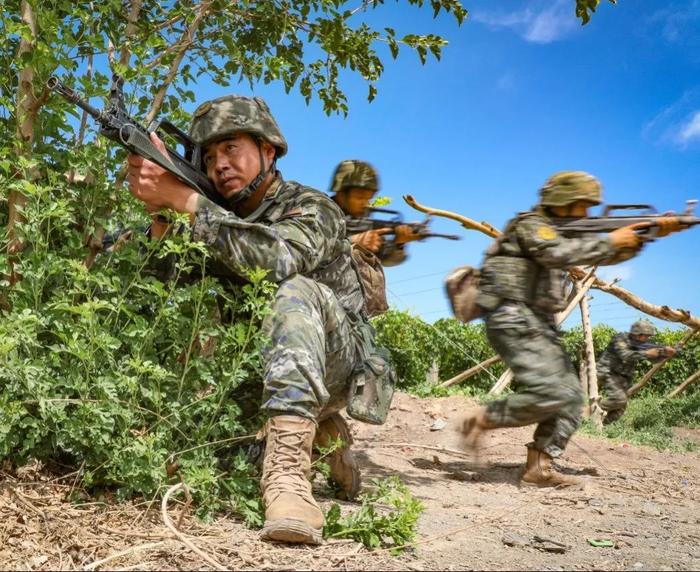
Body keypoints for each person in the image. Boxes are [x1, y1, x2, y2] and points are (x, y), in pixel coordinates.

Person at [125, 95, 389, 544]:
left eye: (231, 148)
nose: (219, 164)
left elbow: (280, 259)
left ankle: (288, 483)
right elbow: (160, 286)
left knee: (293, 291)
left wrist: (188, 202)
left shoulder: (313, 206)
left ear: (268, 151)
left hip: (337, 362)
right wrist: (161, 216)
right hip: (268, 368)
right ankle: (325, 435)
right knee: (207, 458)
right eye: (208, 156)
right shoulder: (215, 214)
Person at [458, 171, 684, 487]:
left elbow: (606, 250)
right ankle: (481, 419)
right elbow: (557, 252)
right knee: (555, 393)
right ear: (562, 201)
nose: (587, 214)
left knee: (572, 398)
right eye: (581, 205)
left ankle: (539, 468)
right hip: (512, 317)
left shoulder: (562, 232)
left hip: (538, 323)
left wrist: (646, 235)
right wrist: (610, 240)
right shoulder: (532, 225)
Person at [330, 160, 422, 267]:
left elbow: (385, 260)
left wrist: (398, 243)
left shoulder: (362, 221)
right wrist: (352, 242)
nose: (365, 203)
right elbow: (310, 252)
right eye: (360, 197)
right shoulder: (319, 214)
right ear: (340, 193)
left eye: (369, 198)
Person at [598, 319, 677, 424]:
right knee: (619, 400)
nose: (648, 338)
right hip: (607, 371)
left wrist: (664, 354)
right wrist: (646, 353)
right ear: (637, 333)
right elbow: (625, 354)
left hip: (620, 376)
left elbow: (653, 359)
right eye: (646, 335)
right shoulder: (620, 339)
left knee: (621, 407)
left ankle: (600, 426)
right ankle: (588, 411)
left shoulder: (640, 345)